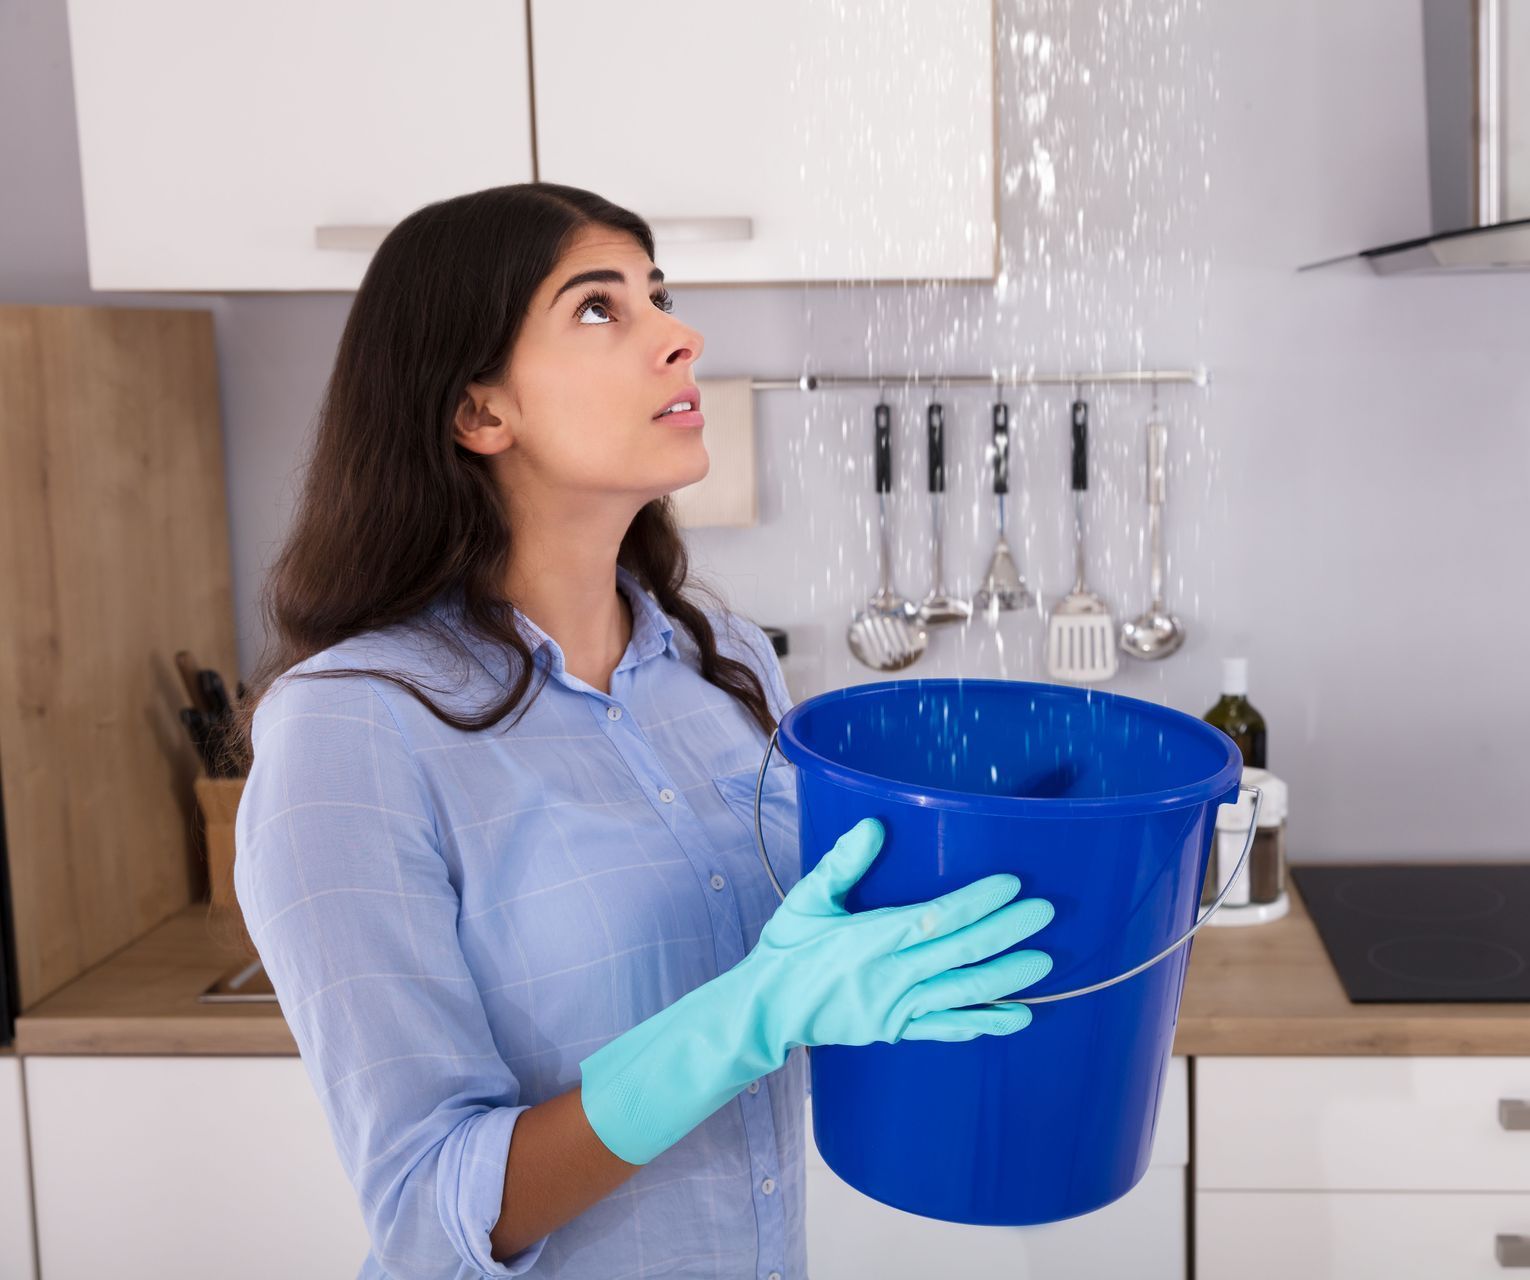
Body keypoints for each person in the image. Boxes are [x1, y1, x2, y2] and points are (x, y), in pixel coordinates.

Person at [229, 182, 1056, 1279]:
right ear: (480, 411)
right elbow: (434, 1218)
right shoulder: (350, 730)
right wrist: (746, 1019)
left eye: (658, 294)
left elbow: (811, 950)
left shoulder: (720, 654)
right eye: (597, 308)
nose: (680, 336)